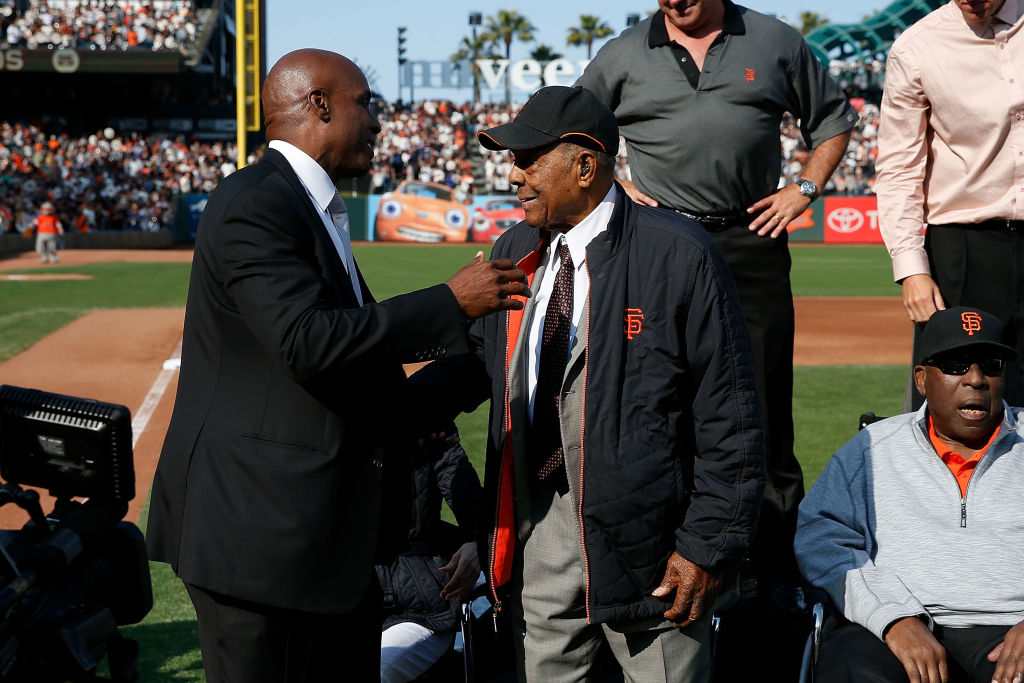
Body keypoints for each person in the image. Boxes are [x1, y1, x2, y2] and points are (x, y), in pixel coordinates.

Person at [145, 48, 528, 683]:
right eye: (367, 104)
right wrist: (449, 301)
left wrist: (462, 369)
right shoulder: (258, 201)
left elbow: (351, 355)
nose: (379, 123)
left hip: (314, 546)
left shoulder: (306, 204)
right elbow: (305, 339)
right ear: (320, 104)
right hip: (258, 545)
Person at [413, 85, 765, 682]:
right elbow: (479, 365)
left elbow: (729, 416)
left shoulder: (678, 253)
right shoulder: (515, 247)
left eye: (529, 158)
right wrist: (391, 405)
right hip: (542, 531)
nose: (514, 173)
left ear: (584, 165)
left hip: (653, 549)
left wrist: (705, 547)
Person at [577, 0, 857, 607]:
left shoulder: (774, 40)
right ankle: (676, 555)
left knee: (761, 397)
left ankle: (775, 570)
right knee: (660, 398)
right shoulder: (623, 53)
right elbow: (575, 128)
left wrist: (804, 189)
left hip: (752, 236)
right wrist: (616, 184)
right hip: (660, 242)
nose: (677, 2)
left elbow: (833, 120)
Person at [795, 306, 1024, 683]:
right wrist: (892, 616)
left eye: (992, 364)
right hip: (896, 626)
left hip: (1010, 628)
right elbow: (822, 537)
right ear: (921, 379)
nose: (977, 379)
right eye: (955, 365)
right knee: (852, 670)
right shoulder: (871, 449)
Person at [875, 0, 1024, 410]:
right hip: (963, 250)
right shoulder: (917, 47)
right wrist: (910, 268)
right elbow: (899, 166)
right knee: (959, 413)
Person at [377, 436, 483, 683]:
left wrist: (477, 542)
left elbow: (478, 512)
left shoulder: (429, 422)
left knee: (379, 671)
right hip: (340, 599)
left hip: (420, 608)